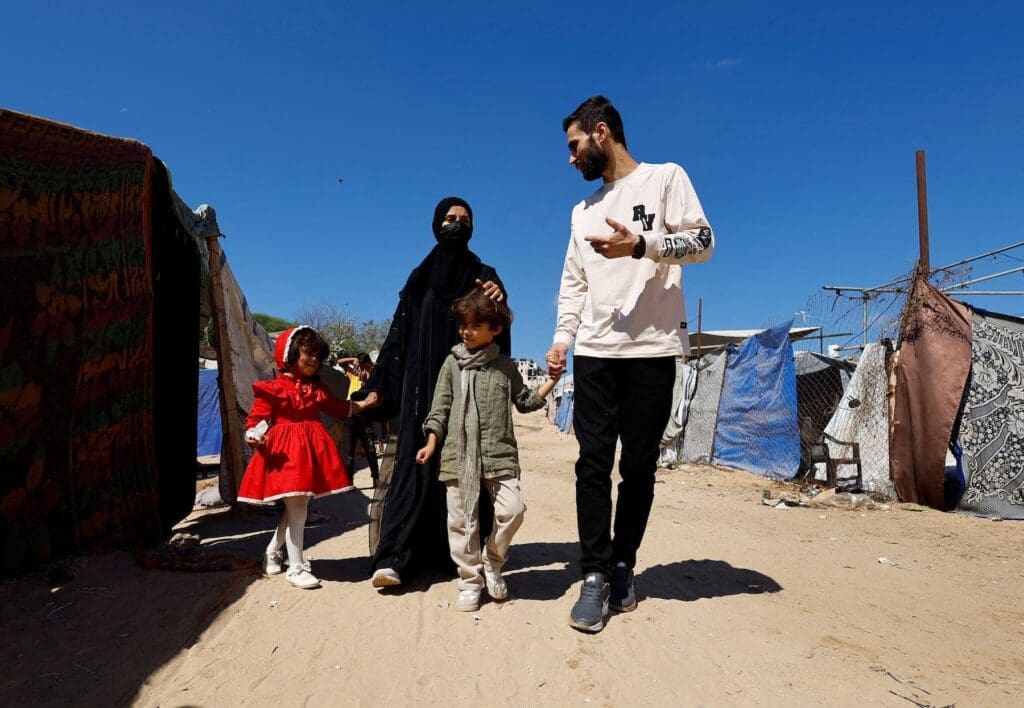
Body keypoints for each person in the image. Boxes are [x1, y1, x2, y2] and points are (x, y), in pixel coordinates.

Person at [546, 96, 715, 632]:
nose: (570, 159)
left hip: (653, 350)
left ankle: (624, 565)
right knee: (592, 463)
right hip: (595, 352)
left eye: (574, 146)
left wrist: (641, 244)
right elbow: (574, 283)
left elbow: (704, 242)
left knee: (638, 466)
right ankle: (593, 574)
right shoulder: (582, 212)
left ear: (601, 133)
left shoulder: (666, 179)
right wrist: (560, 339)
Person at [359, 196, 509, 588]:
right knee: (414, 467)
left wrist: (500, 302)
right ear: (435, 224)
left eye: (464, 220)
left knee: (463, 473)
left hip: (468, 392)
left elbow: (500, 335)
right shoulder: (420, 278)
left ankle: (461, 558)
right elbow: (398, 339)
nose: (456, 225)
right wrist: (379, 389)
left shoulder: (485, 277)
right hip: (420, 390)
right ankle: (394, 556)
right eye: (449, 218)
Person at [416, 290, 559, 611]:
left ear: (495, 329)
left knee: (513, 510)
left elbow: (525, 402)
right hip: (457, 455)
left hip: (499, 454)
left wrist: (552, 380)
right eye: (463, 325)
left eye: (474, 325)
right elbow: (440, 408)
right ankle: (469, 581)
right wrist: (430, 442)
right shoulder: (452, 364)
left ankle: (492, 561)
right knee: (462, 522)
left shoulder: (505, 366)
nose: (465, 331)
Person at [237, 326, 369, 589]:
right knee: (298, 509)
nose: (314, 360)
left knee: (297, 507)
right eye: (308, 353)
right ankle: (295, 567)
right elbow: (255, 419)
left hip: (310, 453)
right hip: (286, 455)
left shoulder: (315, 389)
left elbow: (337, 407)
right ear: (290, 353)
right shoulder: (273, 388)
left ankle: (272, 551)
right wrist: (252, 434)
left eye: (317, 356)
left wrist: (365, 404)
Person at [337, 352, 380, 485]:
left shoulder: (372, 376)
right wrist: (353, 359)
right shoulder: (353, 374)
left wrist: (366, 377)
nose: (360, 369)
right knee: (348, 449)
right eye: (360, 366)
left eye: (363, 365)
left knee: (369, 448)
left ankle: (376, 477)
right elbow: (340, 362)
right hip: (350, 414)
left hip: (365, 415)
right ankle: (349, 481)